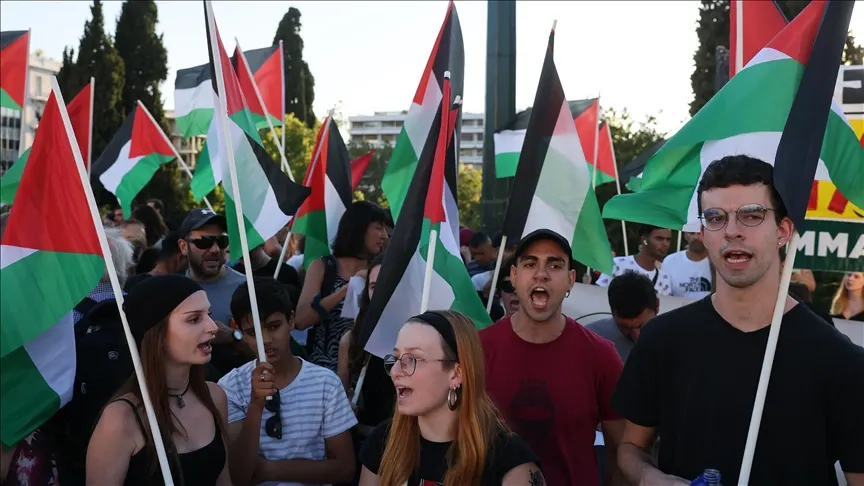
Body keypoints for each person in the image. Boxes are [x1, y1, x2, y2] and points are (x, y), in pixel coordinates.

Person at [612, 155, 864, 485]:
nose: (732, 231)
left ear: (783, 230)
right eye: (715, 217)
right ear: (702, 233)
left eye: (751, 215)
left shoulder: (839, 359)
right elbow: (631, 447)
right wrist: (651, 478)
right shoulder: (663, 339)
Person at [480, 229, 624, 486]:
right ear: (514, 276)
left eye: (554, 265)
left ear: (571, 280)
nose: (541, 273)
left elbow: (621, 452)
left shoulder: (601, 356)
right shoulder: (477, 350)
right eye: (530, 263)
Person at [359, 310, 543, 485]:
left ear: (456, 374)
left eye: (413, 359)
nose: (395, 371)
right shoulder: (383, 442)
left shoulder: (510, 461)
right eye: (397, 358)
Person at [86, 275, 230, 485]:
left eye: (208, 314)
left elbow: (224, 481)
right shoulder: (120, 419)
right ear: (156, 334)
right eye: (194, 319)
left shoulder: (214, 396)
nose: (213, 327)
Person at [218, 277, 357, 486]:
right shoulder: (231, 386)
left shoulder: (325, 384)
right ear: (236, 328)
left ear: (291, 320)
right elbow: (238, 476)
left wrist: (269, 469)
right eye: (252, 332)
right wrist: (256, 404)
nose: (265, 340)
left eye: (274, 326)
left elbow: (344, 468)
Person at [296, 201, 389, 372]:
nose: (384, 235)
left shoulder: (379, 271)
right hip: (323, 371)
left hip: (365, 372)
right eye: (378, 227)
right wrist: (346, 290)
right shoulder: (323, 267)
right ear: (359, 229)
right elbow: (301, 321)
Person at [177, 208, 249, 378]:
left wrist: (233, 337)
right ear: (183, 246)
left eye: (222, 241)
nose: (215, 249)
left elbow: (269, 352)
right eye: (204, 242)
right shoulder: (175, 292)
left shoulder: (248, 288)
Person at [586, 272, 659, 363]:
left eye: (642, 326)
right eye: (625, 328)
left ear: (657, 306)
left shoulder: (678, 341)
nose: (637, 337)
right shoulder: (589, 340)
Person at [596, 224, 673, 296]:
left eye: (668, 240)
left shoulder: (664, 278)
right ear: (644, 240)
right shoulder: (617, 264)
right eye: (659, 239)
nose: (665, 244)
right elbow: (599, 295)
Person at [661, 231, 712, 298]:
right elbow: (664, 294)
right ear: (685, 235)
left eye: (700, 233)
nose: (696, 237)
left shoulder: (719, 261)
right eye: (692, 233)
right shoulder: (670, 261)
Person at [232, 242, 301, 291]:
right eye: (241, 256)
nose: (246, 259)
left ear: (261, 244)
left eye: (249, 252)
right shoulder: (235, 272)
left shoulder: (286, 272)